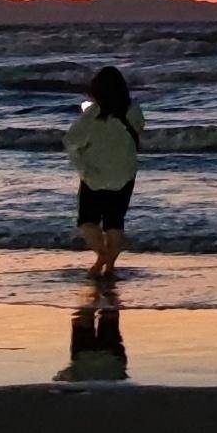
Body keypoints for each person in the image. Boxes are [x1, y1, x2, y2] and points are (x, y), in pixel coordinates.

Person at [65, 65, 143, 278]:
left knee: (87, 222)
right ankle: (109, 266)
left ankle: (101, 256)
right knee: (115, 221)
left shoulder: (93, 114)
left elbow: (72, 140)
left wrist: (80, 159)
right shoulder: (134, 110)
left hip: (94, 174)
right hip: (125, 173)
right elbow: (138, 132)